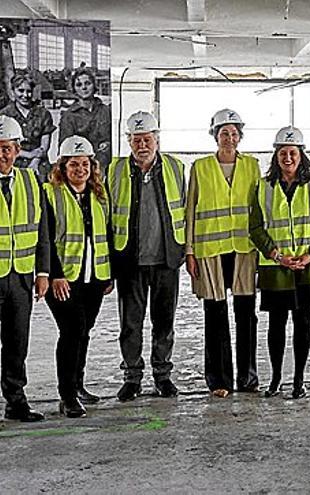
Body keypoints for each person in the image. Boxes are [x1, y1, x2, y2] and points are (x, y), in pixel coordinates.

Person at [107, 111, 186, 402]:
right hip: (130, 261)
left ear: (157, 139)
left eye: (147, 139)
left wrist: (186, 253)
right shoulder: (114, 170)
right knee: (131, 324)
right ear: (128, 141)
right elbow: (106, 215)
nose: (142, 145)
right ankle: (132, 377)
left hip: (166, 259)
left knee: (164, 322)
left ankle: (162, 376)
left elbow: (186, 212)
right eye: (136, 140)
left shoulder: (176, 168)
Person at [249, 126, 310, 399]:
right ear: (276, 156)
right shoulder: (262, 187)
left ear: (301, 155)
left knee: (303, 322)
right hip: (276, 267)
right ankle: (275, 379)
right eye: (283, 153)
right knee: (276, 324)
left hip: (308, 266)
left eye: (293, 152)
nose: (288, 158)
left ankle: (299, 380)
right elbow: (256, 227)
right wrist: (277, 255)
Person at [186, 108, 260, 398]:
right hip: (210, 250)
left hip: (244, 249)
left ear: (240, 136)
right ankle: (219, 380)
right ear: (214, 136)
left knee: (246, 315)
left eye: (233, 133)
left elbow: (261, 209)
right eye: (223, 132)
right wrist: (189, 251)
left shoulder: (252, 166)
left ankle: (248, 377)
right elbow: (190, 209)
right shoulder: (200, 167)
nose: (229, 138)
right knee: (214, 315)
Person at [43, 135, 113, 418]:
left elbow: (106, 233)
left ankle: (78, 385)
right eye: (73, 164)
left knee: (84, 331)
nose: (80, 169)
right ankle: (67, 396)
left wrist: (109, 274)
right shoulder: (50, 193)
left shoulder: (99, 194)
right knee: (72, 331)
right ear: (62, 166)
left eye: (85, 164)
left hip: (94, 276)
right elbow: (45, 238)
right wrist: (55, 274)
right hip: (64, 279)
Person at [0, 115, 50, 422]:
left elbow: (42, 231)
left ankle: (16, 400)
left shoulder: (32, 182)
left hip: (20, 276)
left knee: (17, 342)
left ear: (18, 149)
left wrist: (42, 272)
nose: (2, 154)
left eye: (7, 148)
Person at [0, 73, 54, 181]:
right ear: (13, 91)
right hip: (12, 162)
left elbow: (44, 146)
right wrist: (28, 155)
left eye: (29, 91)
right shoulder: (4, 115)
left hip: (39, 162)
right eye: (20, 90)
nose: (25, 95)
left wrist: (35, 161)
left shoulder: (43, 114)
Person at [58, 68, 111, 173]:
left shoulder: (106, 111)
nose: (84, 88)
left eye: (88, 83)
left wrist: (109, 144)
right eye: (79, 85)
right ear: (73, 88)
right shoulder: (69, 116)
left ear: (94, 85)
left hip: (107, 163)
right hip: (82, 167)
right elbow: (65, 146)